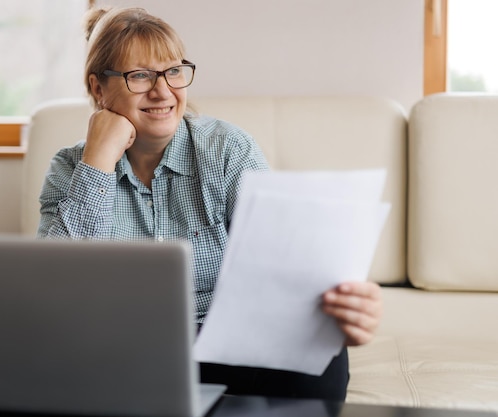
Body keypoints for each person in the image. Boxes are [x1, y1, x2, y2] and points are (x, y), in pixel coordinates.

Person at [38, 6, 382, 401]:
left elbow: (288, 273)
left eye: (173, 71)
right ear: (98, 88)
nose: (163, 90)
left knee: (322, 359)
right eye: (140, 75)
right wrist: (98, 160)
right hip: (121, 355)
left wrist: (345, 304)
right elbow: (55, 297)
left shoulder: (227, 150)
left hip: (227, 351)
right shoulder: (71, 168)